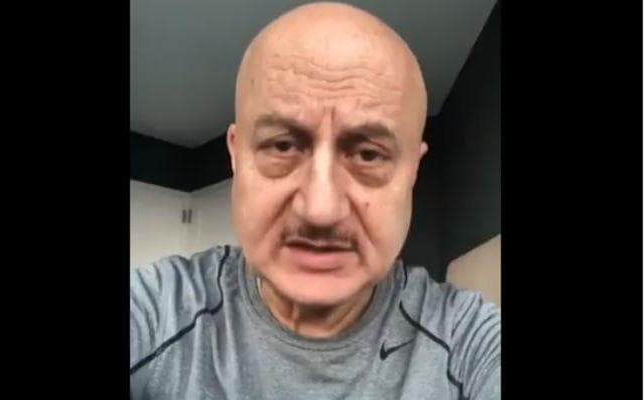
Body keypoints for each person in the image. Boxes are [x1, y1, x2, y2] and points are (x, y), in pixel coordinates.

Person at [130, 2, 500, 399]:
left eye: (368, 154)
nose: (320, 209)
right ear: (236, 156)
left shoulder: (469, 341)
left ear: (412, 171)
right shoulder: (155, 310)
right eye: (283, 146)